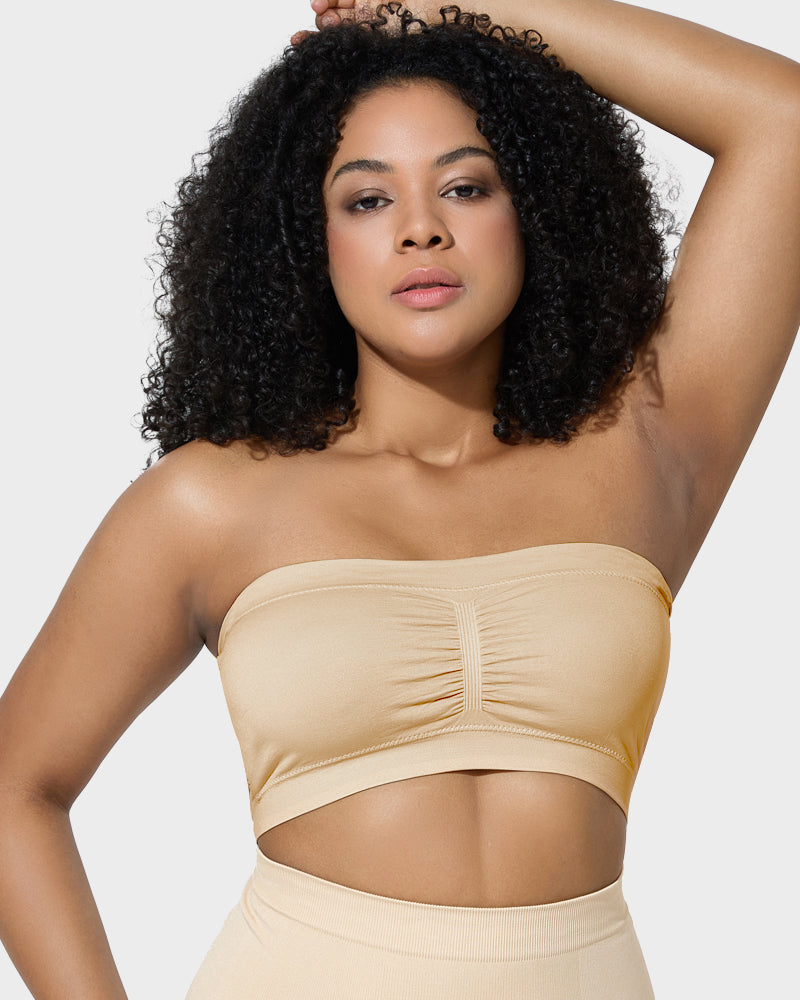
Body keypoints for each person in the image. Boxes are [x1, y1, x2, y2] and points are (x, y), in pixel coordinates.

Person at [0, 0, 798, 996]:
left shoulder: (643, 450)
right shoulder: (210, 504)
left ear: (533, 208)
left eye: (465, 186)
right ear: (309, 237)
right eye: (367, 199)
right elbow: (15, 785)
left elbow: (782, 119)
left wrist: (456, 4)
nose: (421, 229)